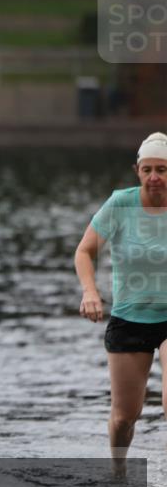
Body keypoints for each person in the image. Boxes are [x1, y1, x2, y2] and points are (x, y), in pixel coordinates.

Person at [75, 132, 167, 468]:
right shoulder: (120, 205)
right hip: (130, 318)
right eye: (148, 170)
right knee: (125, 417)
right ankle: (118, 471)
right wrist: (90, 291)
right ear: (137, 171)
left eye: (163, 169)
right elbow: (84, 252)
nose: (155, 177)